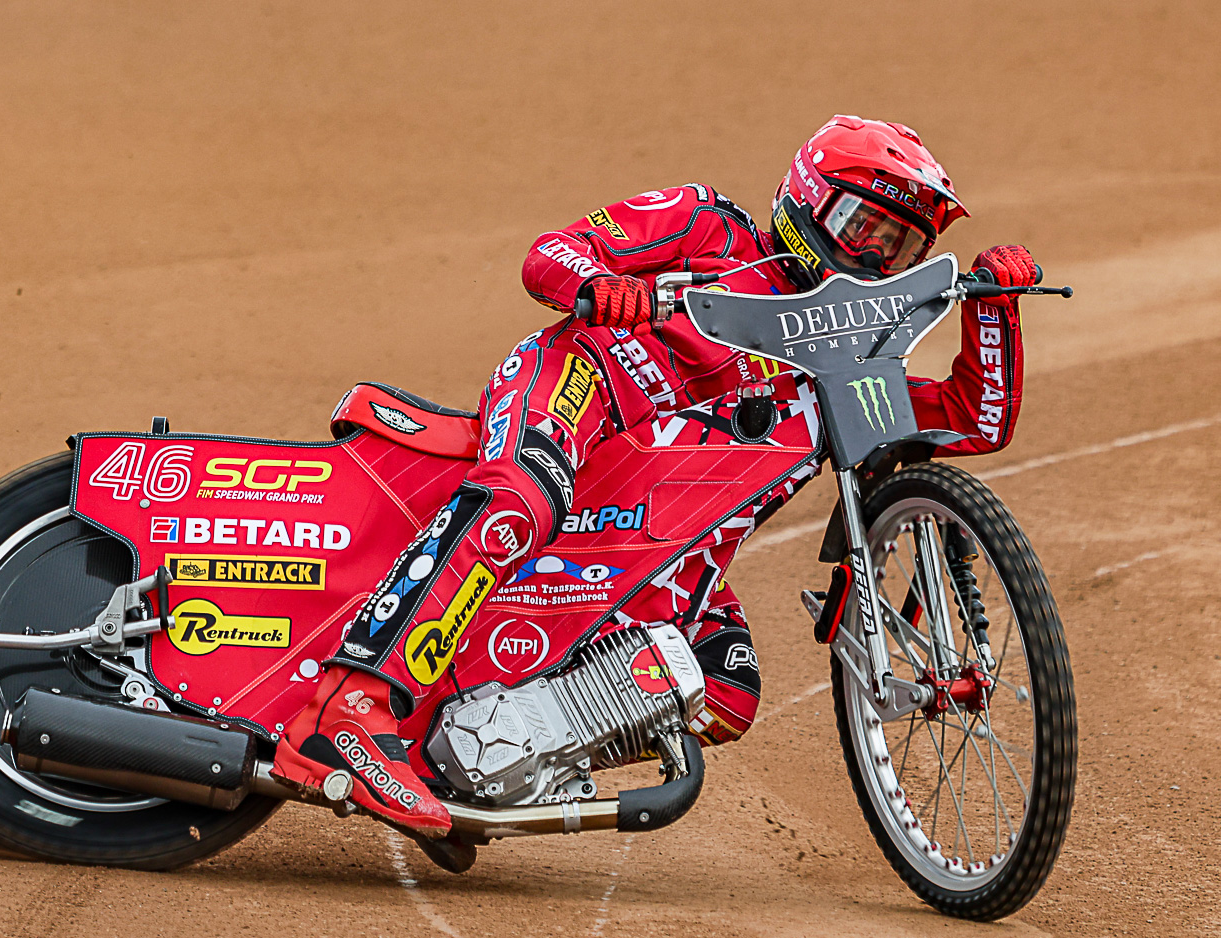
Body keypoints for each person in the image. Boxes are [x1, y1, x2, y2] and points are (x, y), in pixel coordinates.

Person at [272, 115, 1041, 835]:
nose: (875, 259)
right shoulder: (708, 222)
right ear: (808, 200)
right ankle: (355, 708)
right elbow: (552, 251)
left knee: (725, 688)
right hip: (581, 384)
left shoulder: (841, 374)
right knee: (520, 496)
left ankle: (486, 753)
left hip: (657, 533)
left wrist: (994, 307)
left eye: (898, 248)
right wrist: (601, 287)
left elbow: (972, 419)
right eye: (861, 228)